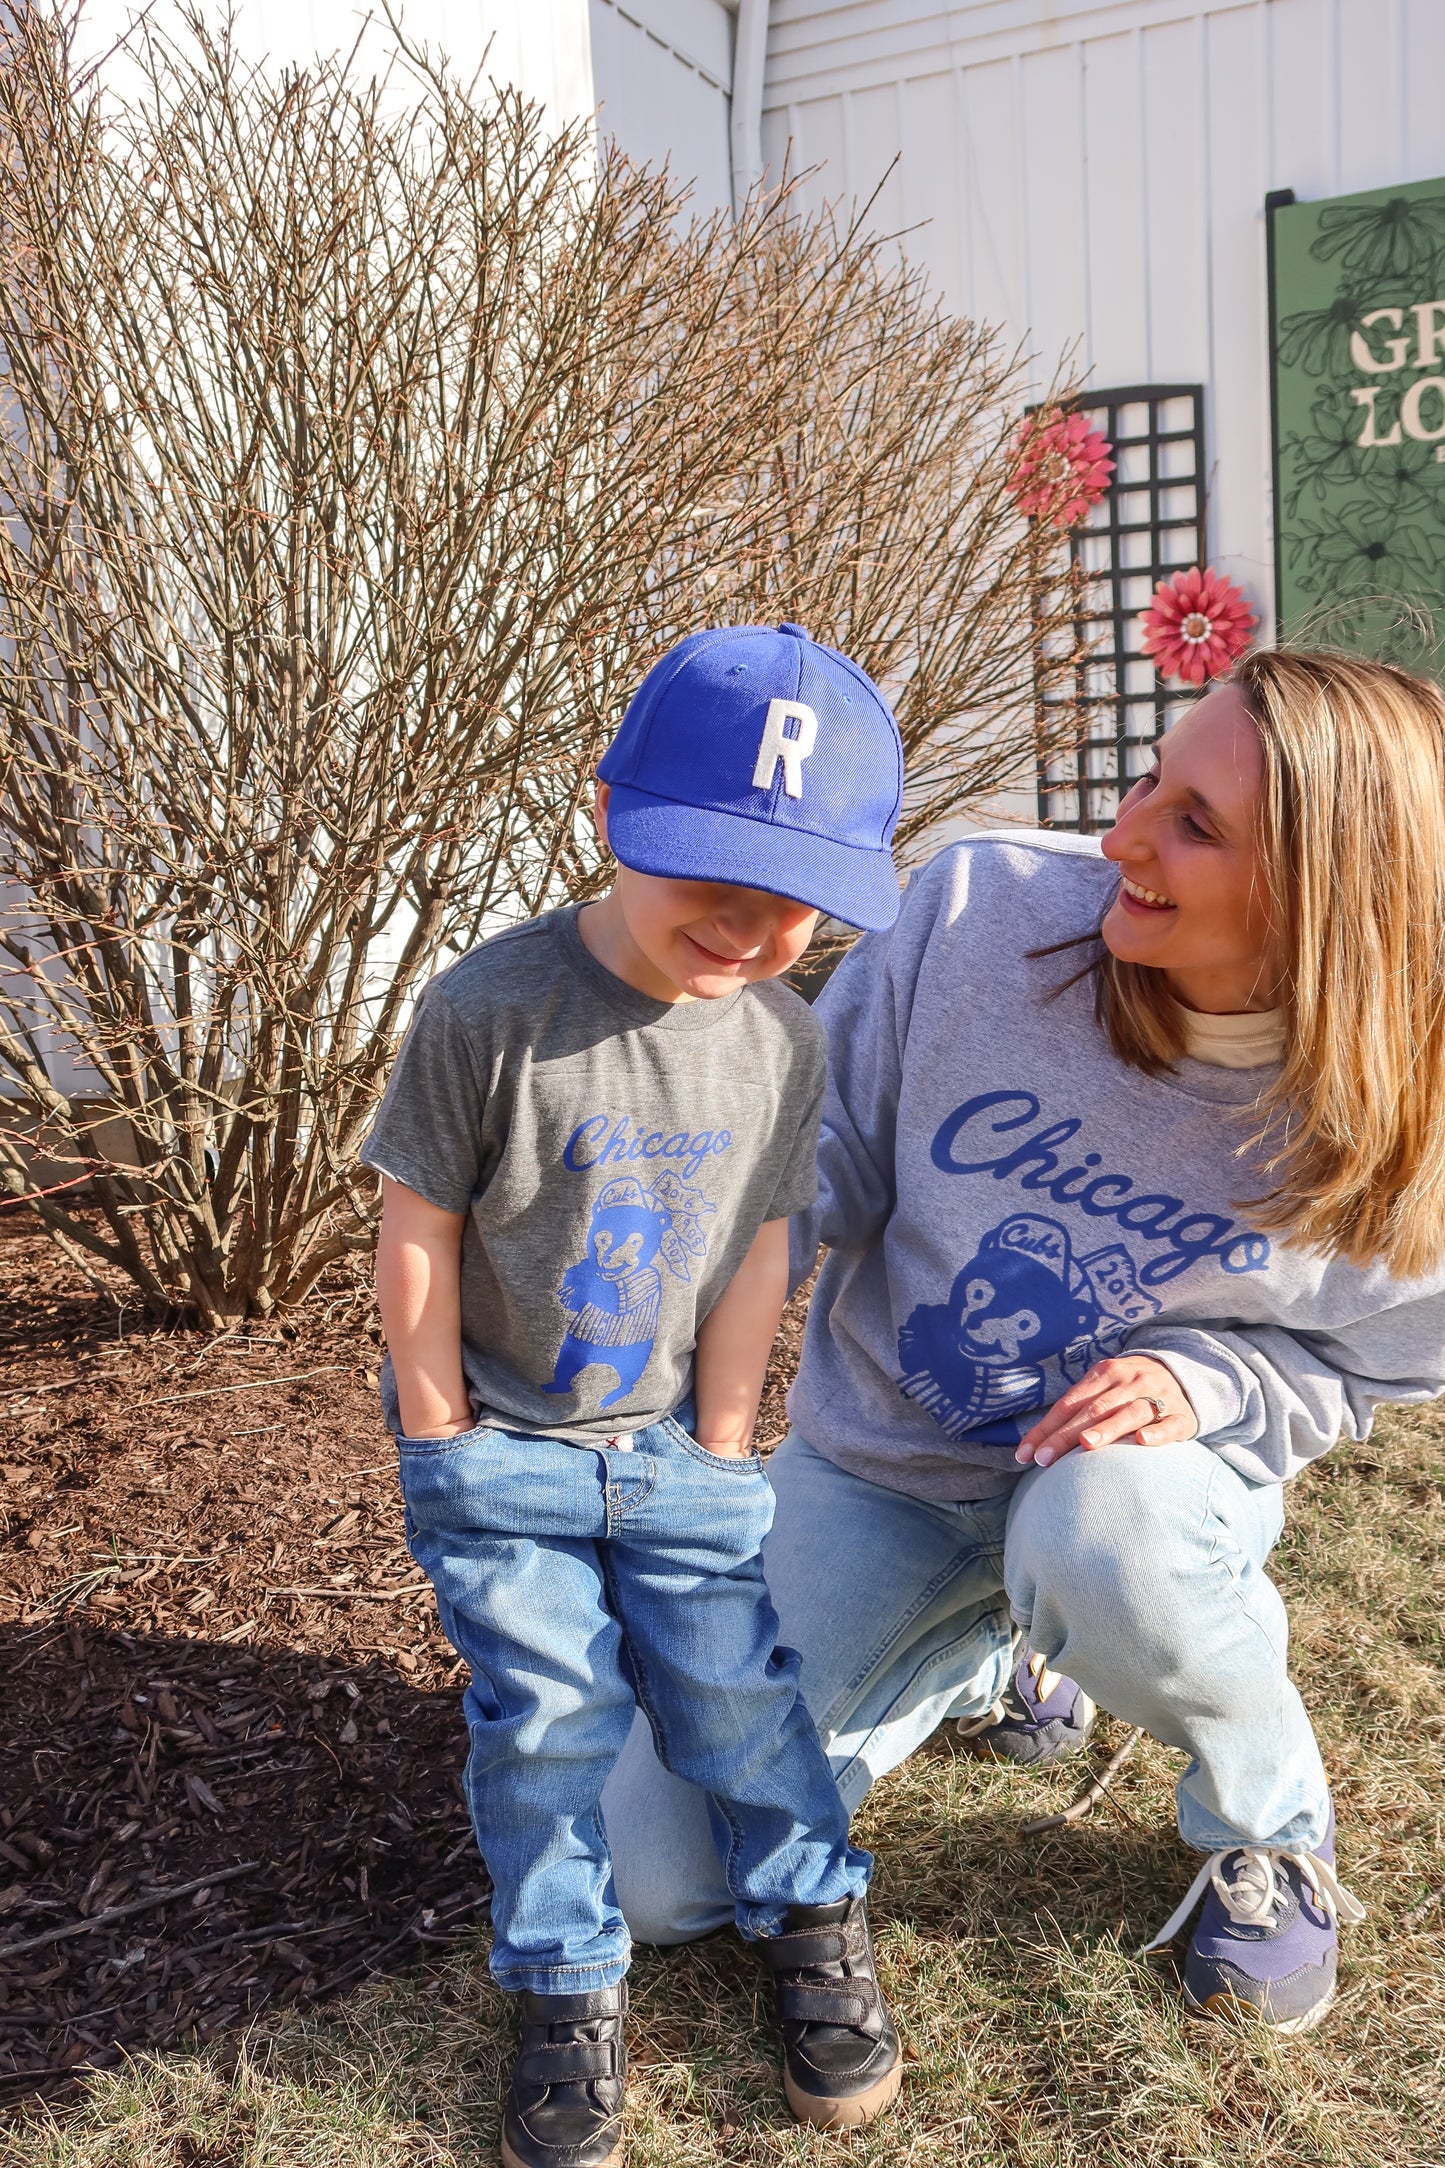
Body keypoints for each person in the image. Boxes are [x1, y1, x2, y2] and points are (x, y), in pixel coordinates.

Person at [602, 645, 1445, 2037]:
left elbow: (1388, 1357)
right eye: (1148, 780)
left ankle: (1266, 1822)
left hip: (1136, 1490)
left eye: (1194, 824)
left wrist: (1210, 1377)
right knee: (656, 1882)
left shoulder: (1405, 1101)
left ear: (1327, 899)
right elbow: (826, 1155)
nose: (1120, 836)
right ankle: (999, 1652)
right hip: (887, 1464)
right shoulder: (981, 909)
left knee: (1095, 1534)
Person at [362, 623, 907, 2168]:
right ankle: (563, 1982)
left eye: (788, 898)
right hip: (510, 1456)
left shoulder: (785, 1044)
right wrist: (433, 1428)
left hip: (676, 1454)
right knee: (544, 1715)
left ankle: (809, 1915)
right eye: (706, 876)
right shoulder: (490, 1008)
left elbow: (757, 1251)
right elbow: (421, 1221)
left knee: (738, 1694)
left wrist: (728, 1442)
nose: (742, 926)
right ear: (609, 812)